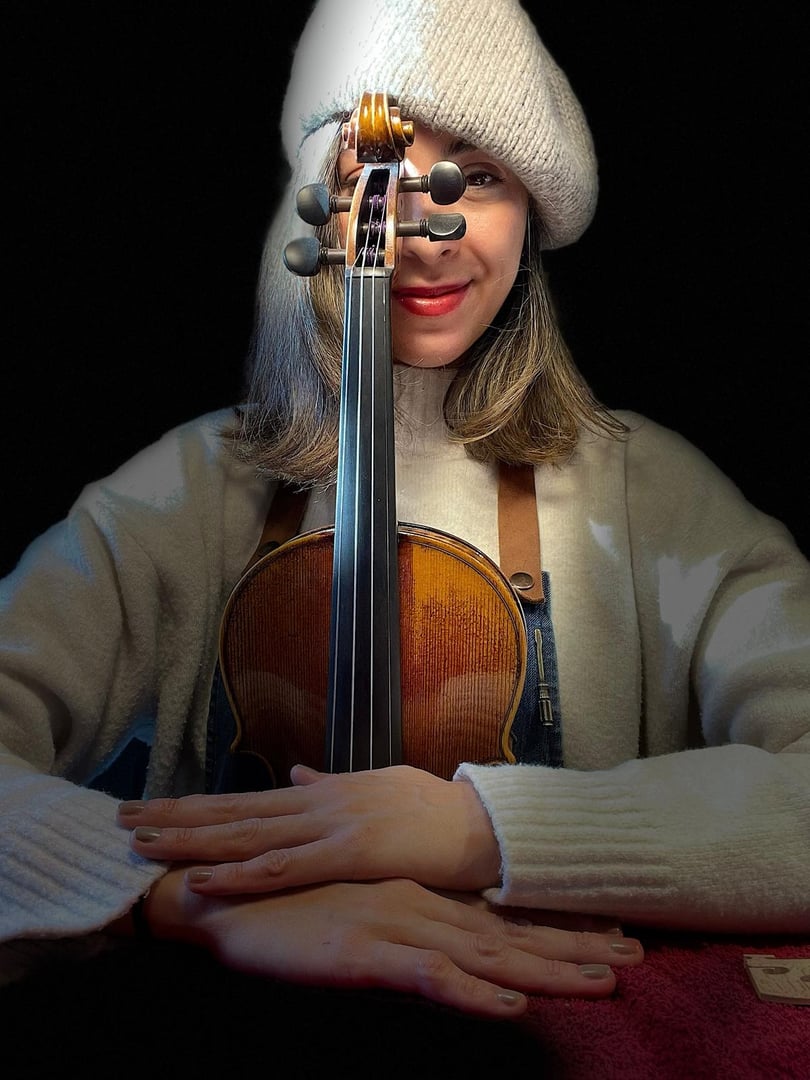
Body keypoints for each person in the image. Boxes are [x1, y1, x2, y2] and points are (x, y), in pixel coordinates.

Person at [1, 0, 807, 1025]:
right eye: (363, 179)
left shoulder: (650, 494)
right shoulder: (192, 490)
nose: (427, 237)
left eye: (476, 176)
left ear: (532, 209)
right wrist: (179, 896)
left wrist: (479, 829)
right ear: (320, 213)